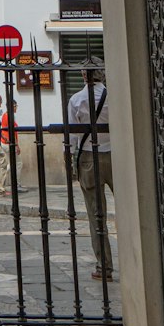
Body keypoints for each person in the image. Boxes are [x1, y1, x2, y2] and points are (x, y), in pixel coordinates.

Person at [67, 68, 113, 280]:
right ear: (102, 75)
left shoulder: (77, 100)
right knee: (130, 209)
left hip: (88, 158)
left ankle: (104, 267)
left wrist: (68, 158)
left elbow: (74, 135)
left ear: (84, 76)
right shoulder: (114, 96)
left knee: (97, 216)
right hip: (114, 156)